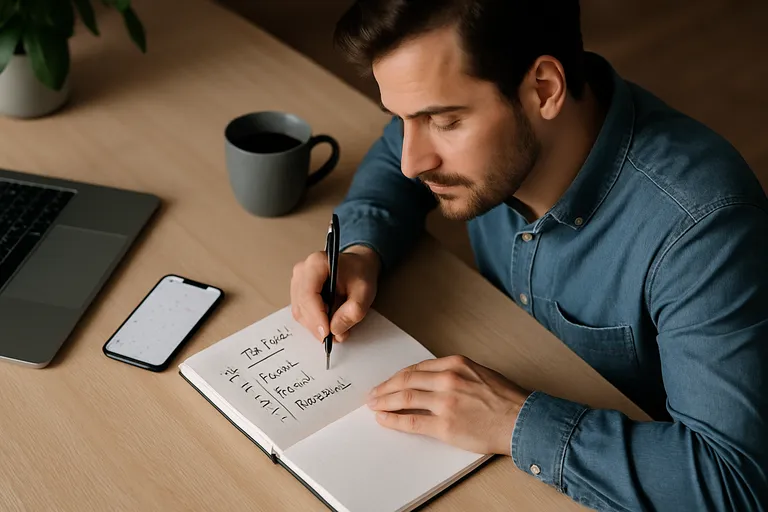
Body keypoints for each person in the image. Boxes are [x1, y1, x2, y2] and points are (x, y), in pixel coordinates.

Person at [289, 0, 768, 509]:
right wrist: (364, 248)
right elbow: (392, 157)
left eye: (445, 121)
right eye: (403, 118)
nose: (413, 161)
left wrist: (512, 421)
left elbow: (733, 481)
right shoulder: (475, 153)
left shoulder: (703, 229)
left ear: (544, 89)